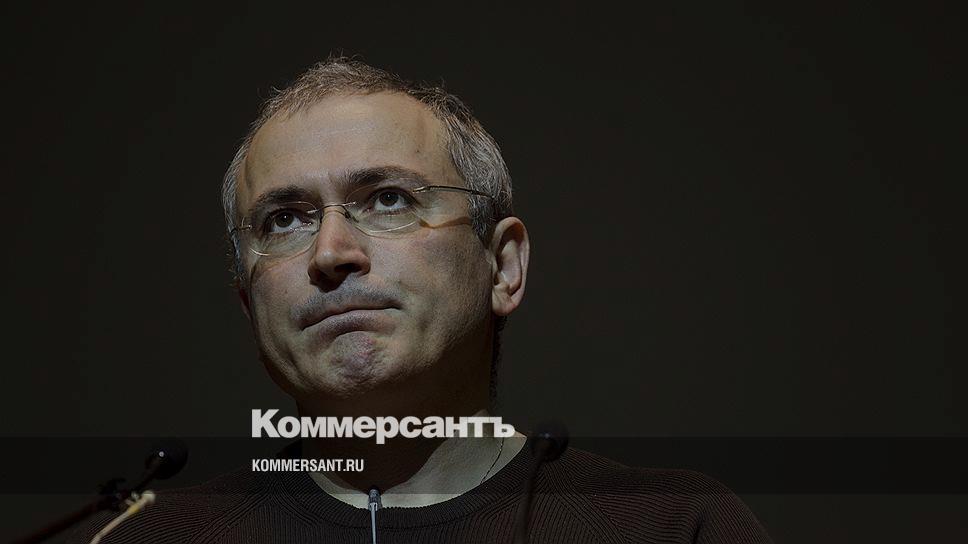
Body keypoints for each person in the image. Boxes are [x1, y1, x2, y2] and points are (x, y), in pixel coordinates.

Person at [65, 57, 772, 543]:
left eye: (389, 200)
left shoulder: (673, 526)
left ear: (503, 267)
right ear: (249, 303)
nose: (331, 252)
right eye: (284, 219)